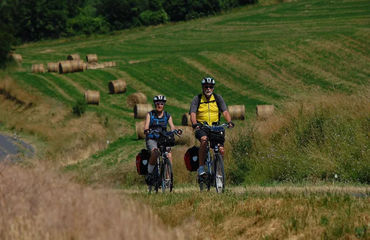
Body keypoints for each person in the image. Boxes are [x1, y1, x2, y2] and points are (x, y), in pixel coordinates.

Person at [189, 77, 234, 178]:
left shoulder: (218, 98)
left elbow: (225, 111)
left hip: (215, 127)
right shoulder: (197, 98)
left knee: (221, 150)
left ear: (213, 88)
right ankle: (201, 167)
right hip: (202, 127)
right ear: (202, 87)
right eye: (206, 87)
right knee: (204, 140)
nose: (208, 89)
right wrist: (195, 124)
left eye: (210, 87)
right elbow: (192, 113)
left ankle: (217, 168)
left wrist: (229, 121)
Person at [144, 95, 179, 185]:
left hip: (162, 138)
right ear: (155, 104)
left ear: (164, 105)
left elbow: (172, 126)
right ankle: (149, 173)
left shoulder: (167, 115)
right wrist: (147, 130)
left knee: (169, 155)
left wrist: (174, 131)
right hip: (152, 138)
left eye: (161, 103)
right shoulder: (150, 114)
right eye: (157, 103)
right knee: (155, 153)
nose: (159, 105)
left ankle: (168, 179)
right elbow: (146, 126)